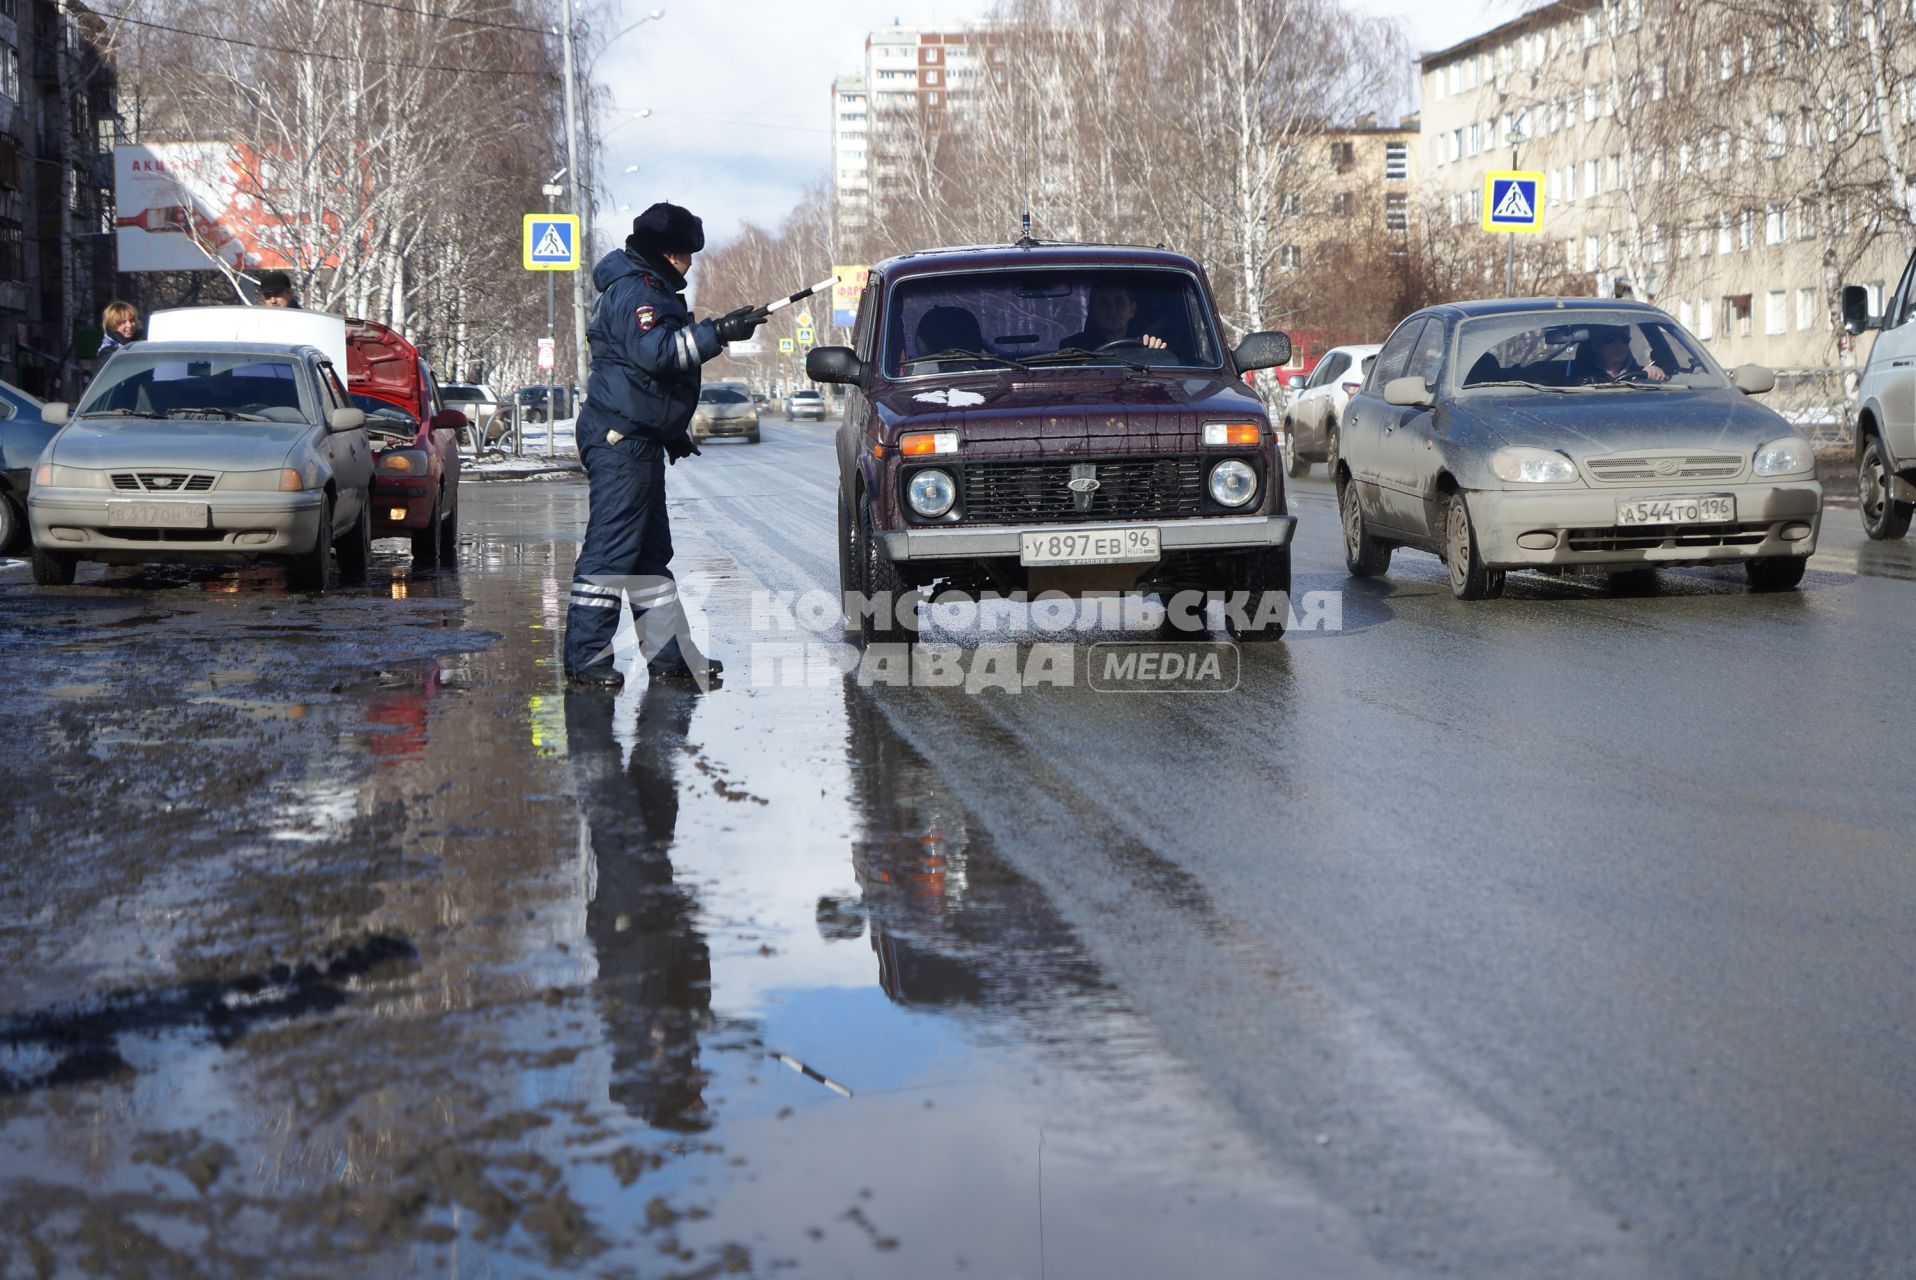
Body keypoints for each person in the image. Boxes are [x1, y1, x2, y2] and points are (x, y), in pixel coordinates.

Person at [563, 201, 766, 690]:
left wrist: (670, 431)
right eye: (682, 254)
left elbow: (641, 377)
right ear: (662, 253)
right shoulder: (638, 291)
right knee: (611, 553)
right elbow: (659, 355)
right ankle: (586, 659)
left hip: (638, 439)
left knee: (650, 555)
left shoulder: (644, 286)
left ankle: (669, 656)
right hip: (621, 441)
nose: (689, 264)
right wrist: (718, 333)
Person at [1061, 281, 1167, 352]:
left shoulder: (1145, 346)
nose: (1112, 309)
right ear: (1092, 311)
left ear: (1132, 310)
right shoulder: (1072, 348)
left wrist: (1155, 352)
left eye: (1119, 302)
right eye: (1103, 303)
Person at [1571, 323, 1667, 384]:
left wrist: (1654, 373)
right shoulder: (1580, 380)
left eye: (1624, 339)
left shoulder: (1642, 375)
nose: (1618, 344)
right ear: (1596, 344)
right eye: (1610, 338)